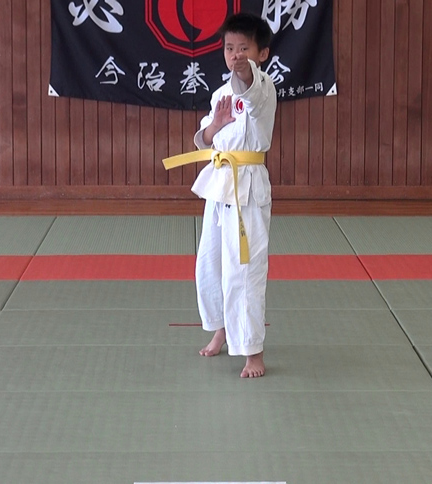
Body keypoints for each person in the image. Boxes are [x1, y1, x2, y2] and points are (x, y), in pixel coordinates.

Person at [183, 13, 276, 378]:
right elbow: (205, 137)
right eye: (229, 48)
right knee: (209, 264)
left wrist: (246, 73)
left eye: (244, 49)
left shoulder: (263, 87)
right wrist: (215, 128)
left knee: (245, 270)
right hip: (220, 183)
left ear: (262, 54)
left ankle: (253, 350)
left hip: (248, 189)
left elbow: (249, 93)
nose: (235, 55)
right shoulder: (220, 94)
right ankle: (220, 328)